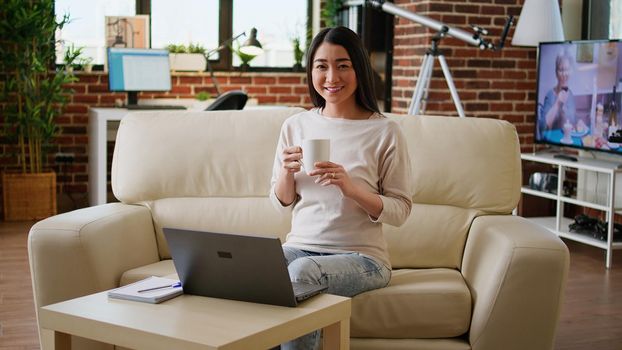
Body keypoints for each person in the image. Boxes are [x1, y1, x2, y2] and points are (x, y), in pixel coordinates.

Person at [269, 26, 413, 350]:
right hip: (301, 245)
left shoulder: (385, 131)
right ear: (311, 71)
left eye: (342, 65)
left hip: (363, 258)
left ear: (358, 69)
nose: (331, 76)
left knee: (302, 272)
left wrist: (351, 189)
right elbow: (280, 202)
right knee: (256, 268)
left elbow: (401, 210)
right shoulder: (295, 126)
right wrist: (286, 172)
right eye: (321, 66)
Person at [541, 52, 577, 132]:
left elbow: (573, 121)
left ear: (571, 72)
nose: (564, 74)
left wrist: (579, 122)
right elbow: (543, 127)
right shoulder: (550, 95)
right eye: (561, 70)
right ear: (556, 73)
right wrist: (557, 103)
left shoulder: (570, 95)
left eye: (567, 69)